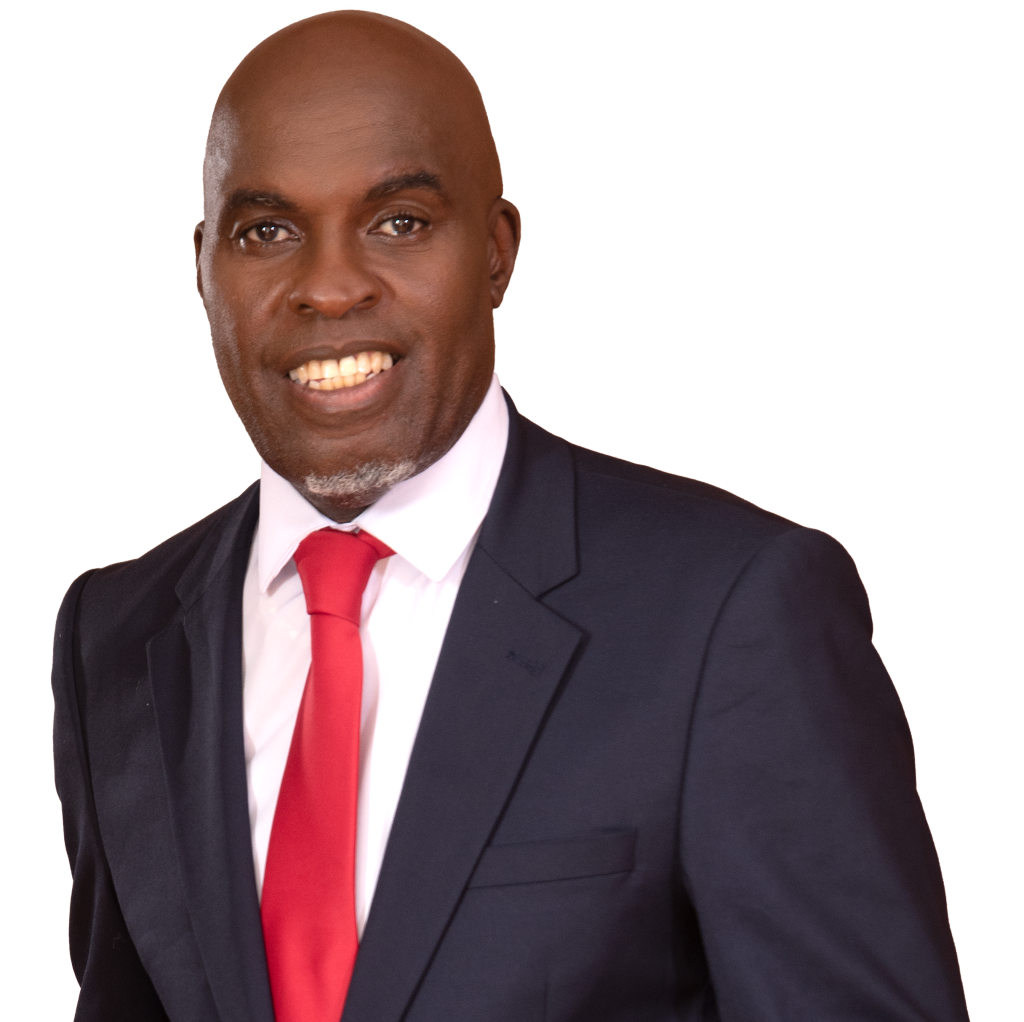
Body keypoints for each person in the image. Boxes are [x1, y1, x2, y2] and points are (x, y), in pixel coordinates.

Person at [51, 8, 969, 1021]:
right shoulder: (117, 633)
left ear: (496, 253)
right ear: (201, 269)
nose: (329, 287)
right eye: (266, 231)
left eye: (399, 221)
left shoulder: (730, 612)